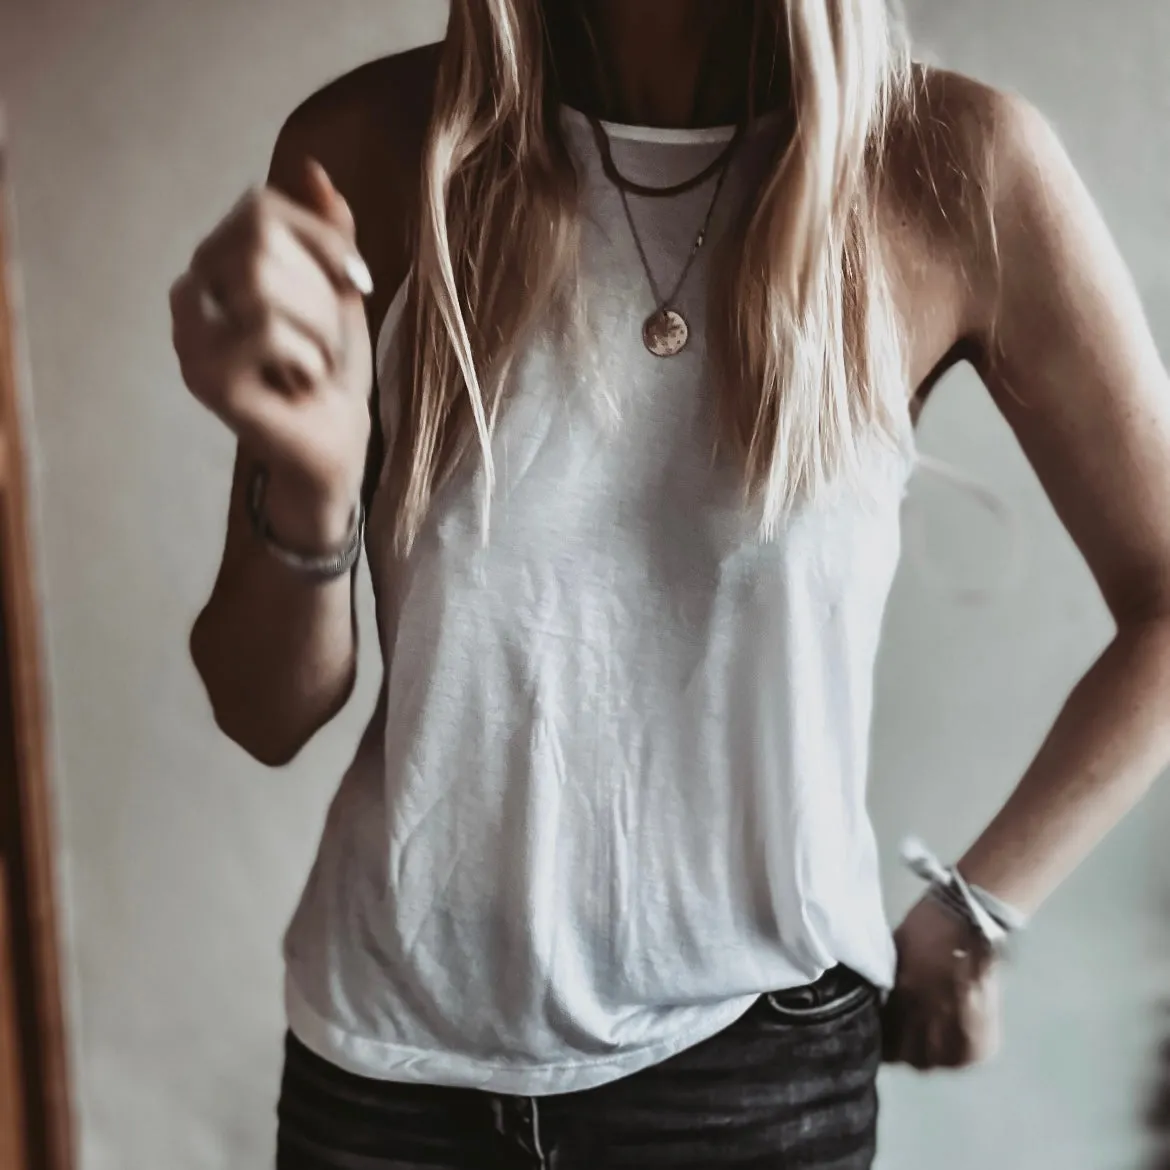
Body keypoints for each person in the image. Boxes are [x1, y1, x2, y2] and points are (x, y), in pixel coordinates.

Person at [169, 2, 1170, 1166]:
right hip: (390, 1083)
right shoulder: (372, 148)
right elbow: (262, 712)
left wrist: (978, 908)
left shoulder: (951, 166)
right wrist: (313, 478)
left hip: (753, 1082)